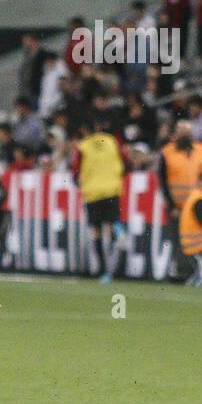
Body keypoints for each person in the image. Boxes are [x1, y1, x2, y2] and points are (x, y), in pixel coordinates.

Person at [73, 118, 126, 283]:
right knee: (110, 227)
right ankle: (116, 225)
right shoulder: (111, 141)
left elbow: (75, 170)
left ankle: (104, 272)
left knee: (96, 232)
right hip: (111, 190)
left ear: (83, 130)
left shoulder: (83, 146)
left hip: (93, 193)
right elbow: (124, 162)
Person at [159, 120, 202, 279]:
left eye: (188, 131)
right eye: (182, 131)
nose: (186, 135)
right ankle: (182, 273)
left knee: (198, 237)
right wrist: (170, 205)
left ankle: (196, 272)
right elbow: (163, 180)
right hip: (178, 205)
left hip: (198, 204)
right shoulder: (167, 152)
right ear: (176, 134)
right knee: (178, 240)